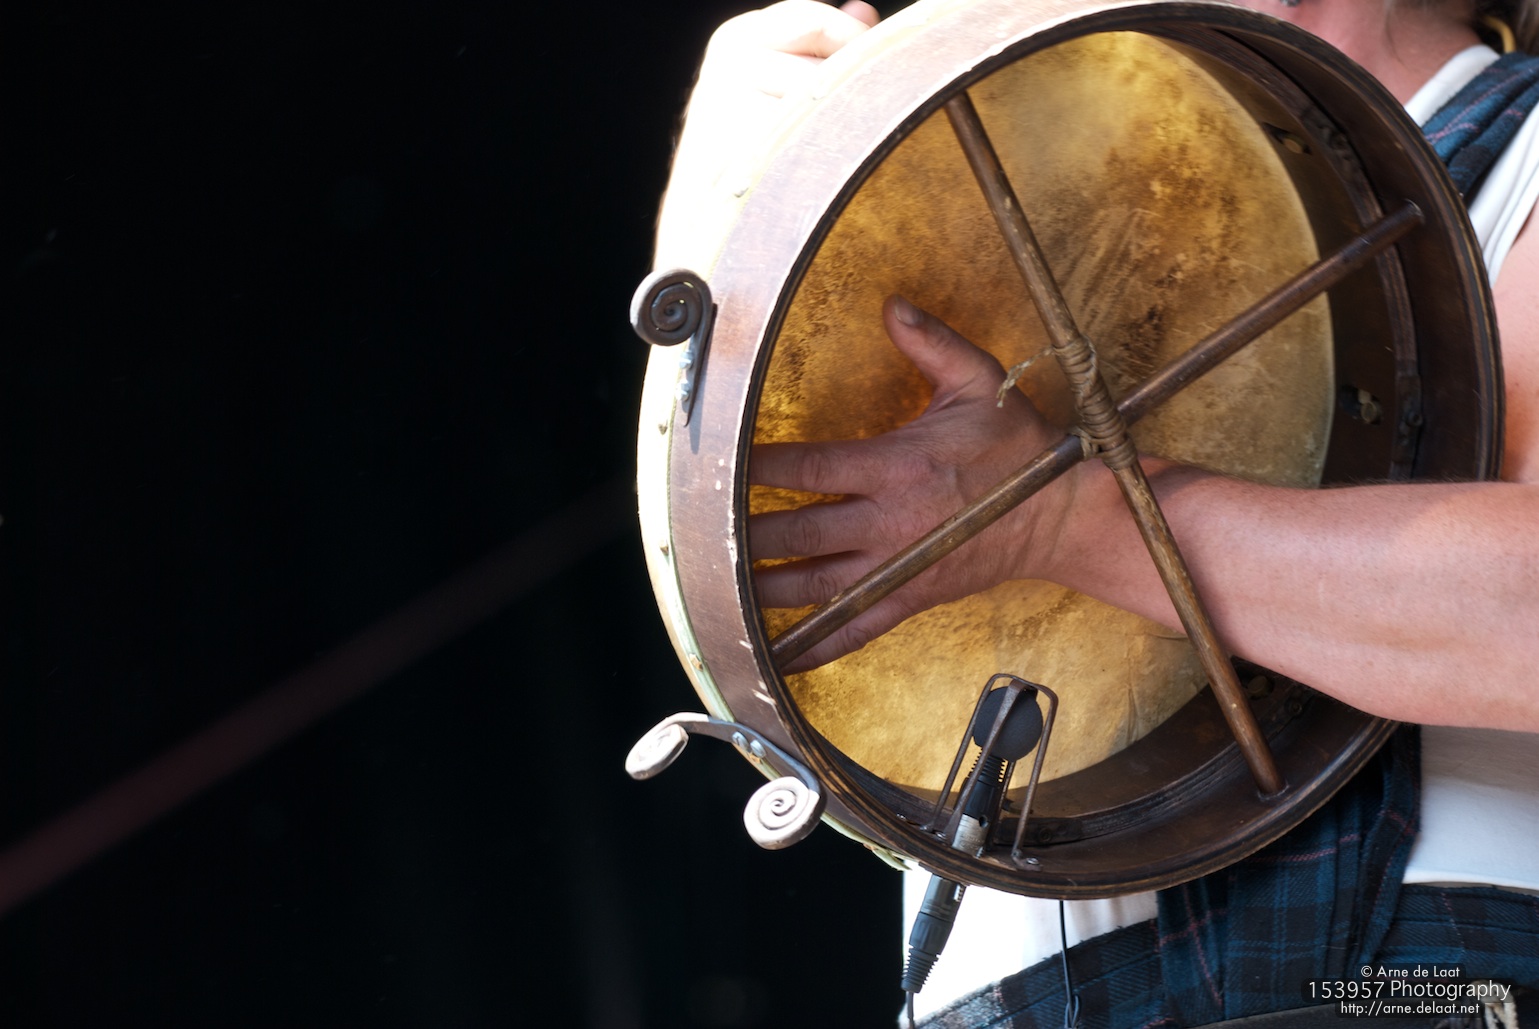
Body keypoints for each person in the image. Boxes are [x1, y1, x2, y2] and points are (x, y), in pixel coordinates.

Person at [654, 0, 1539, 1025]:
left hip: (1417, 985)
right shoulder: (1050, 165)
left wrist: (1063, 517)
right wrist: (737, 237)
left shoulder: (1521, 150)